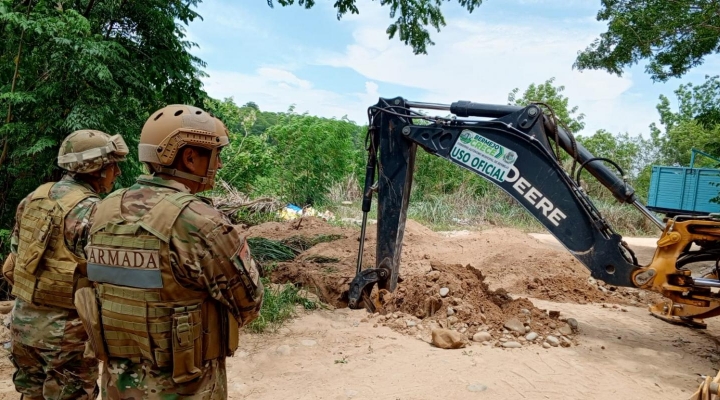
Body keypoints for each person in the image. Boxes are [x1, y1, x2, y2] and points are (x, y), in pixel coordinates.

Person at [77, 104, 264, 399]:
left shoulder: (103, 210)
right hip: (185, 386)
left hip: (117, 385)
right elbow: (250, 303)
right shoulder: (200, 222)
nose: (219, 165)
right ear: (190, 158)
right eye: (216, 156)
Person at [2, 129, 128, 400]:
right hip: (67, 337)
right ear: (96, 168)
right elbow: (109, 276)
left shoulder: (35, 197)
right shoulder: (94, 211)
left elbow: (16, 255)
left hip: (24, 325)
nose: (116, 172)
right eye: (112, 165)